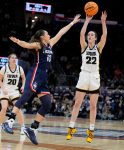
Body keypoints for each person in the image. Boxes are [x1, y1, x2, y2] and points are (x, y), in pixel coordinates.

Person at [2, 14, 80, 145]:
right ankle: (8, 122)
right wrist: (18, 42)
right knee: (26, 95)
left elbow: (61, 32)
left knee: (47, 103)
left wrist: (72, 23)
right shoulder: (38, 45)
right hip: (36, 73)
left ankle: (32, 128)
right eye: (47, 34)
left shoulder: (50, 44)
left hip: (44, 77)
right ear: (42, 36)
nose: (50, 35)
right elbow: (27, 45)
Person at [66, 11, 107, 143]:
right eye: (89, 35)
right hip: (83, 75)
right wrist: (87, 20)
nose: (89, 36)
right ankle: (71, 128)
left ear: (95, 38)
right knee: (77, 103)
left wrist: (103, 22)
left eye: (92, 35)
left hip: (94, 76)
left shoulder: (99, 48)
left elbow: (105, 35)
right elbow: (81, 33)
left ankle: (91, 131)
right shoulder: (83, 46)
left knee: (93, 106)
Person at [0, 53, 26, 135]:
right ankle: (0, 125)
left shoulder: (19, 68)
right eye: (12, 58)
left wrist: (23, 86)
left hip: (14, 91)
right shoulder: (4, 68)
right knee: (4, 108)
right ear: (9, 59)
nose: (14, 59)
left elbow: (24, 78)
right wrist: (3, 88)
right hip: (5, 90)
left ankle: (23, 127)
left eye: (15, 58)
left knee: (17, 108)